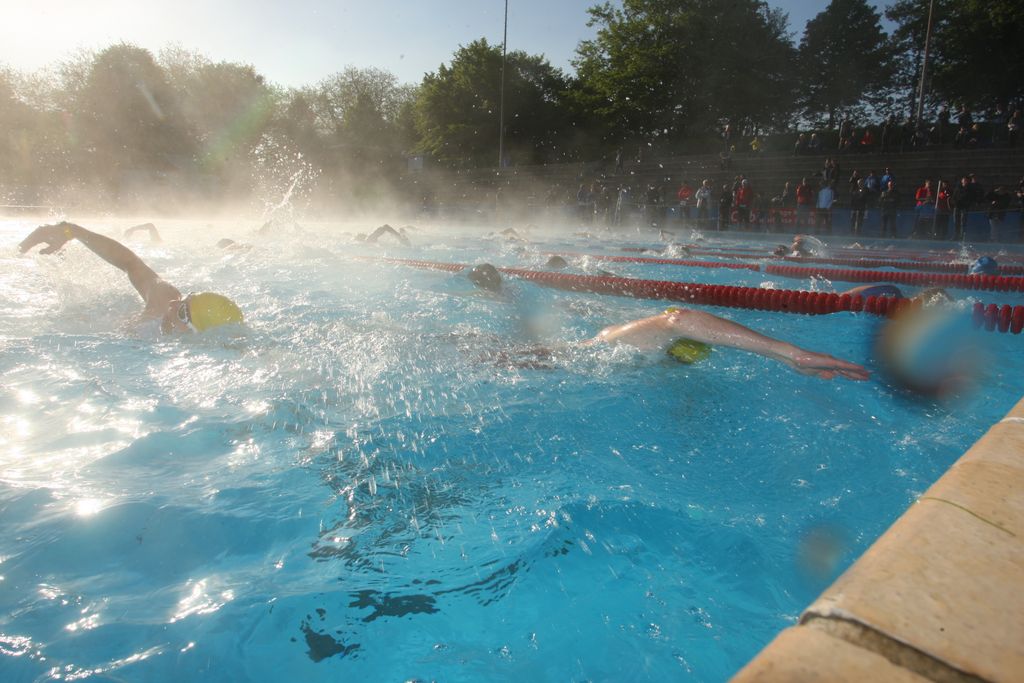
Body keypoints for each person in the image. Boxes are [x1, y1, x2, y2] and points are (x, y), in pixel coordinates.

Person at [18, 222, 243, 334]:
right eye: (188, 298)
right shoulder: (164, 300)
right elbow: (130, 263)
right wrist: (74, 231)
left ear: (195, 333)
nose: (175, 304)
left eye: (183, 311)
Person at [582, 308, 868, 381]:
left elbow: (677, 320)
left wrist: (791, 356)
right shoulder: (608, 342)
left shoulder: (608, 340)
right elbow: (676, 320)